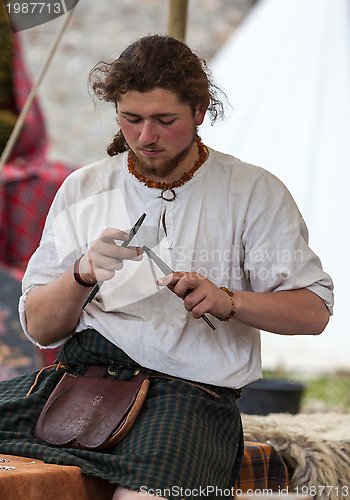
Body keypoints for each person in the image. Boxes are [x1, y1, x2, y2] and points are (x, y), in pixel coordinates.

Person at [0, 35, 333, 499]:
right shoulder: (83, 188)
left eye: (164, 120)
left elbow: (314, 312)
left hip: (191, 395)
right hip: (79, 382)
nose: (145, 137)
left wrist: (229, 301)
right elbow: (39, 327)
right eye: (131, 119)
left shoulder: (252, 192)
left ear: (199, 111)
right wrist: (80, 275)